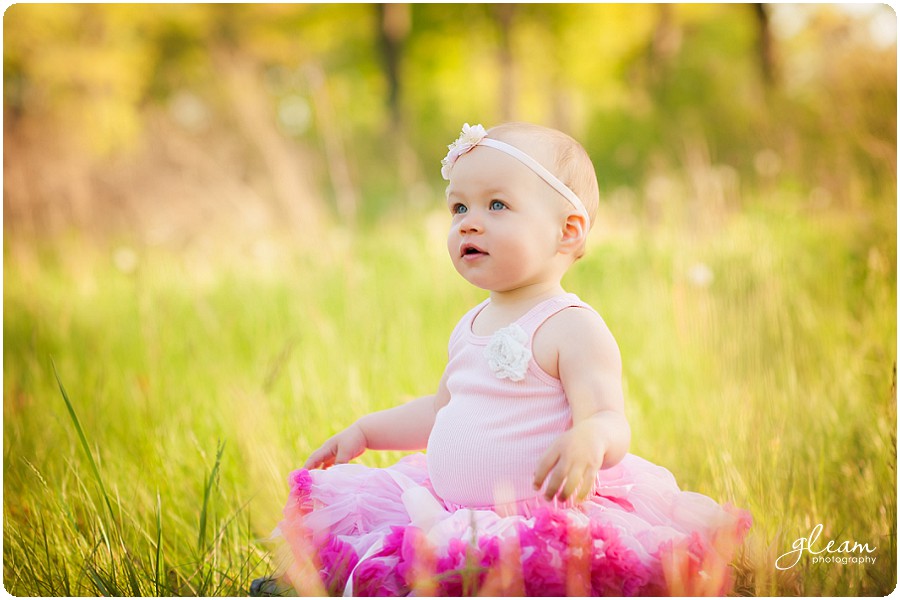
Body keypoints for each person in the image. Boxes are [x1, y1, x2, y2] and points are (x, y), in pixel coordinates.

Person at [261, 122, 751, 597]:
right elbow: (441, 412)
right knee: (407, 566)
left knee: (527, 581)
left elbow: (609, 419)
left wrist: (590, 436)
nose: (468, 221)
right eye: (458, 207)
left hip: (535, 524)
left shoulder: (571, 326)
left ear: (567, 231)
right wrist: (368, 432)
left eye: (496, 204)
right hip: (451, 512)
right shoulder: (471, 323)